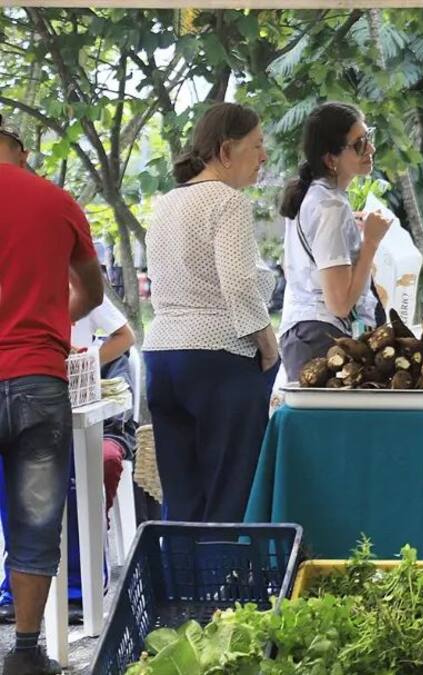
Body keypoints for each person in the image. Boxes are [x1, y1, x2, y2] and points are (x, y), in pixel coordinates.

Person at [0, 112, 105, 674]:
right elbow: (91, 290)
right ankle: (23, 652)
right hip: (40, 379)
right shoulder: (55, 200)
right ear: (16, 146)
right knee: (36, 519)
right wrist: (49, 324)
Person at [143, 102, 279, 524]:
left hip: (162, 356)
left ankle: (181, 587)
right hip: (218, 357)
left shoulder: (166, 203)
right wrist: (268, 344)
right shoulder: (227, 202)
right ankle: (224, 588)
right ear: (225, 151)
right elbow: (238, 284)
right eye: (256, 145)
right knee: (228, 496)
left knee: (182, 500)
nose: (264, 156)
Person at [0, 292, 138, 623]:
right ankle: (14, 589)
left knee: (73, 494)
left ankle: (78, 587)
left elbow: (125, 335)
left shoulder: (77, 288)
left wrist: (85, 361)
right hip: (13, 393)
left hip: (71, 404)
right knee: (12, 495)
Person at [278, 103, 391, 378]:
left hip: (308, 332)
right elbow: (339, 302)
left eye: (369, 138)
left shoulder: (318, 197)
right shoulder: (330, 206)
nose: (370, 150)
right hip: (320, 336)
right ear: (331, 159)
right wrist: (371, 243)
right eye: (359, 144)